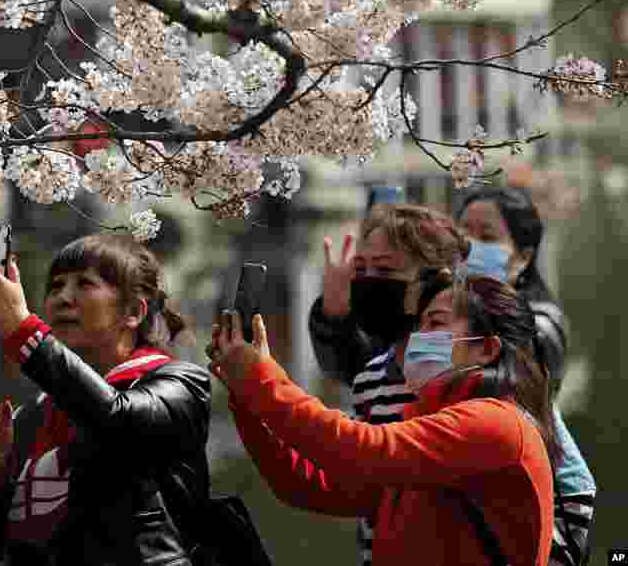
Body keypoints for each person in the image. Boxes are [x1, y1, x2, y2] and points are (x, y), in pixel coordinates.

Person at [209, 270, 557, 566]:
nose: (419, 338)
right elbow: (304, 483)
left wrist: (262, 378)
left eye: (435, 323)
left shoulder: (496, 425)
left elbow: (361, 448)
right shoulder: (435, 423)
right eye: (419, 325)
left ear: (487, 349)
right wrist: (247, 394)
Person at [0, 234, 211, 565]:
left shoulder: (180, 385)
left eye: (84, 284)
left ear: (133, 311)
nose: (63, 298)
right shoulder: (32, 415)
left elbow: (117, 421)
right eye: (56, 286)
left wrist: (22, 329)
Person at [307, 204, 468, 564]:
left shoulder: (468, 372)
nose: (368, 282)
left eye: (386, 269)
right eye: (361, 270)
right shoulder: (370, 377)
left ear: (434, 282)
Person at [456, 186, 596, 566]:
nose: (469, 246)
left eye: (486, 237)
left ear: (523, 255)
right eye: (462, 234)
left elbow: (514, 364)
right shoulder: (444, 310)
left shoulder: (543, 323)